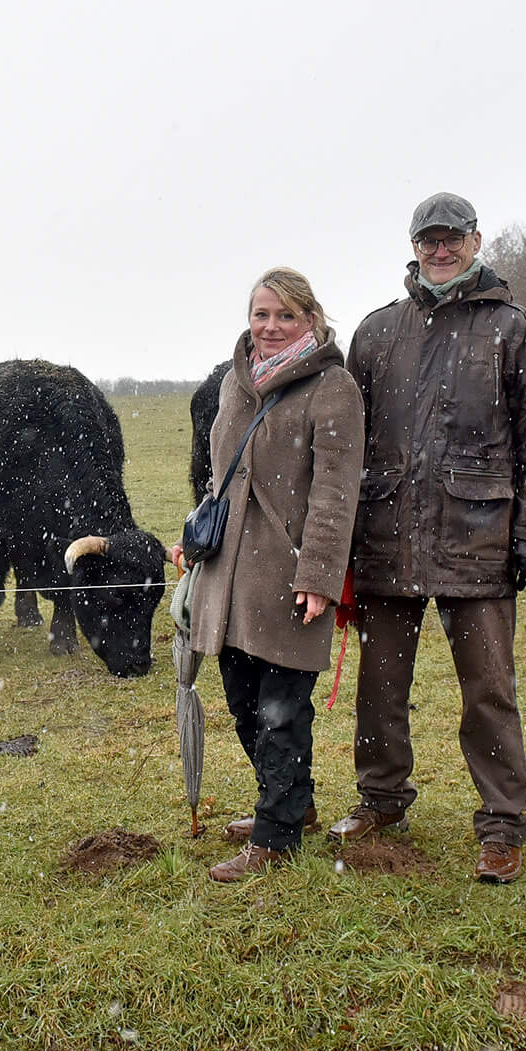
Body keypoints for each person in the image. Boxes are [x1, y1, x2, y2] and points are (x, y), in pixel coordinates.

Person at [332, 193, 526, 884]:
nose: (440, 250)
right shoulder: (376, 333)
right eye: (428, 240)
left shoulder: (513, 329)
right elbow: (345, 444)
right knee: (380, 684)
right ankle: (381, 799)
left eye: (452, 239)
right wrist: (339, 536)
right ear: (413, 247)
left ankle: (502, 823)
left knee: (488, 689)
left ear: (475, 241)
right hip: (386, 533)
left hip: (479, 538)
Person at [182, 268, 363, 882]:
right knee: (242, 702)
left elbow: (336, 491)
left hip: (289, 575)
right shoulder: (236, 382)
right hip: (228, 576)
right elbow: (219, 476)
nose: (271, 326)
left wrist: (318, 575)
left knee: (281, 710)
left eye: (286, 315)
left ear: (310, 319)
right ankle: (295, 806)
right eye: (262, 314)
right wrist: (197, 537)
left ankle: (275, 836)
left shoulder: (333, 387)